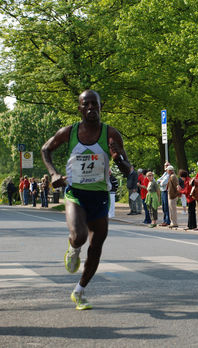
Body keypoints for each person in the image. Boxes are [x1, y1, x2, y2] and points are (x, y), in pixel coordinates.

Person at [41, 89, 131, 310]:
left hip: (99, 195)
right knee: (79, 236)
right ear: (80, 108)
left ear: (101, 107)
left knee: (97, 245)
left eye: (95, 104)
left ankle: (79, 291)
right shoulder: (69, 132)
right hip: (76, 193)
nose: (91, 108)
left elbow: (129, 170)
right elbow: (45, 149)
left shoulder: (111, 134)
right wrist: (53, 174)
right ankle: (73, 248)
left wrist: (119, 160)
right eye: (86, 104)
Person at [157, 162, 171, 226]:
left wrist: (161, 181)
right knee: (163, 207)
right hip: (162, 191)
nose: (166, 166)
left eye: (167, 165)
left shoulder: (168, 175)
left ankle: (167, 220)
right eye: (165, 165)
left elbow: (163, 183)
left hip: (166, 191)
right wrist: (161, 181)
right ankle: (164, 220)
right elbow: (158, 180)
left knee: (166, 206)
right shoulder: (165, 173)